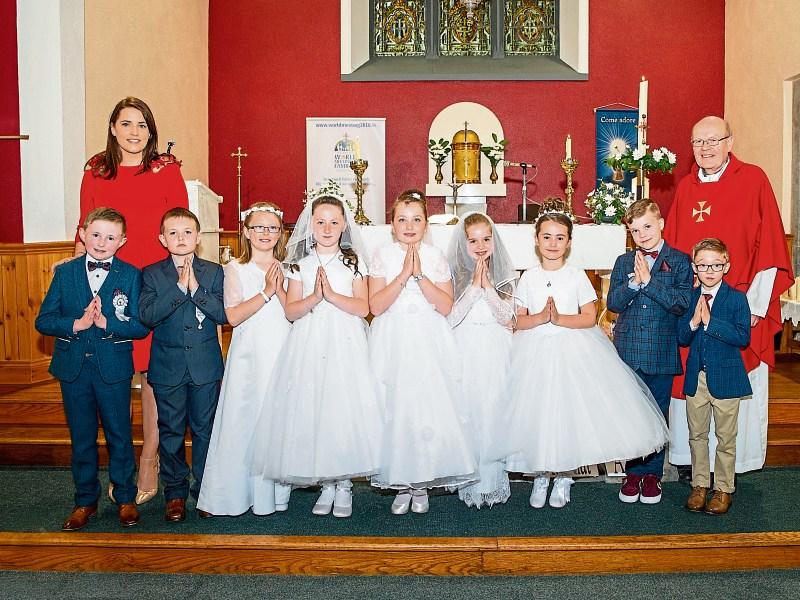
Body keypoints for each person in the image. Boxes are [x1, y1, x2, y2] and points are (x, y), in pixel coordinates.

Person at [501, 212, 669, 509]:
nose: (553, 243)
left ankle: (564, 475)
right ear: (536, 240)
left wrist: (559, 318)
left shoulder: (576, 275)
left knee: (568, 414)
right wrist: (541, 317)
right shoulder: (529, 277)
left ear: (569, 242)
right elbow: (519, 321)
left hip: (573, 349)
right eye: (546, 237)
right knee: (539, 414)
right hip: (534, 352)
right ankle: (541, 473)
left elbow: (589, 317)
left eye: (560, 238)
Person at [76, 97, 189, 505]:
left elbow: (180, 226)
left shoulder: (165, 169)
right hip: (109, 282)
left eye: (142, 125)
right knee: (116, 377)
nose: (134, 132)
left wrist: (181, 282)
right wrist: (78, 284)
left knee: (153, 376)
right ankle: (121, 462)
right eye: (126, 124)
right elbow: (84, 228)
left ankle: (149, 459)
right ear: (113, 128)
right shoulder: (96, 171)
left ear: (150, 130)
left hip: (155, 282)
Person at [665, 116, 794, 473]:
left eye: (713, 140)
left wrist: (755, 305)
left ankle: (735, 463)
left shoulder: (753, 180)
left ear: (729, 143)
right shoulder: (686, 188)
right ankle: (694, 464)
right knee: (692, 377)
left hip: (739, 303)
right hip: (695, 305)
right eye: (698, 142)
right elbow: (674, 251)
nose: (705, 148)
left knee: (734, 377)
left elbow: (769, 247)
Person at [252, 194, 383, 519]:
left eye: (334, 222)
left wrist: (331, 295)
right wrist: (314, 297)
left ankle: (344, 483)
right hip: (309, 342)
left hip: (345, 341)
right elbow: (292, 311)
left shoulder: (354, 262)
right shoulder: (300, 264)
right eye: (321, 222)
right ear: (310, 225)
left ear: (344, 225)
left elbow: (363, 307)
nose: (327, 228)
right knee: (316, 410)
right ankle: (326, 483)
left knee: (342, 409)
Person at [36, 207, 150, 530]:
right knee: (82, 437)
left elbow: (141, 326)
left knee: (120, 435)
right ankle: (85, 501)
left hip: (113, 368)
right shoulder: (65, 273)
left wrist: (106, 322)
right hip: (73, 369)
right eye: (96, 235)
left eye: (110, 237)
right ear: (83, 234)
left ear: (122, 241)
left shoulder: (131, 275)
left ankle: (125, 497)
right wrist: (77, 323)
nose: (101, 242)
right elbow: (43, 320)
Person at [368, 190, 477, 515]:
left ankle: (422, 482)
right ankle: (402, 482)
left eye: (416, 219)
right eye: (402, 219)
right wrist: (403, 275)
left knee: (426, 408)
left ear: (426, 224)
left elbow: (445, 306)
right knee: (396, 408)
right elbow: (376, 305)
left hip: (428, 340)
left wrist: (419, 275)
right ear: (392, 224)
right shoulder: (382, 255)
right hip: (392, 340)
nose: (409, 226)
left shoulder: (435, 256)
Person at [197, 203, 293, 516]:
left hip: (281, 348)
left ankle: (276, 493)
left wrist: (280, 290)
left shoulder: (289, 268)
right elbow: (233, 316)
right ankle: (235, 493)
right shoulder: (235, 269)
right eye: (258, 227)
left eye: (272, 228)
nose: (265, 233)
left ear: (280, 233)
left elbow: (294, 312)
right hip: (250, 353)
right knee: (244, 417)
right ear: (247, 233)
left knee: (276, 419)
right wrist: (266, 292)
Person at [139, 207, 226, 522]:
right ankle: (174, 493)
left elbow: (223, 313)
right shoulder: (151, 273)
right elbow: (147, 316)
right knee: (171, 430)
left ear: (198, 237)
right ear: (162, 238)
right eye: (173, 233)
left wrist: (195, 290)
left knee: (205, 430)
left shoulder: (214, 272)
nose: (180, 238)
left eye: (187, 232)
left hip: (205, 366)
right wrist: (178, 289)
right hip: (168, 366)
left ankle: (205, 491)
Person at [607, 199, 693, 504]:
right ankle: (633, 473)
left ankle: (653, 474)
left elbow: (681, 303)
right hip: (629, 350)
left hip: (661, 350)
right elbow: (613, 303)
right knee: (632, 412)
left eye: (647, 226)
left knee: (657, 413)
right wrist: (633, 284)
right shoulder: (623, 261)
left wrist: (650, 282)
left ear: (661, 224)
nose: (642, 234)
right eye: (635, 230)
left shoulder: (679, 261)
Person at [446, 212, 516, 509]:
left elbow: (507, 319)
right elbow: (450, 319)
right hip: (465, 347)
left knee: (493, 412)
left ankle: (491, 482)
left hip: (495, 347)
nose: (480, 246)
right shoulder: (453, 275)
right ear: (463, 244)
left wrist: (488, 287)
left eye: (486, 239)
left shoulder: (504, 276)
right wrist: (474, 287)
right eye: (473, 240)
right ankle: (469, 482)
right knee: (469, 411)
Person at [679, 238, 752, 515]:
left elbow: (743, 337)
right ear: (694, 267)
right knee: (697, 435)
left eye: (716, 265)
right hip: (696, 378)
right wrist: (694, 322)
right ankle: (700, 485)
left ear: (726, 266)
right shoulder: (690, 298)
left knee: (725, 438)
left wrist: (711, 323)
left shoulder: (736, 298)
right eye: (703, 265)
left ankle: (723, 488)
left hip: (727, 379)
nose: (709, 271)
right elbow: (681, 337)